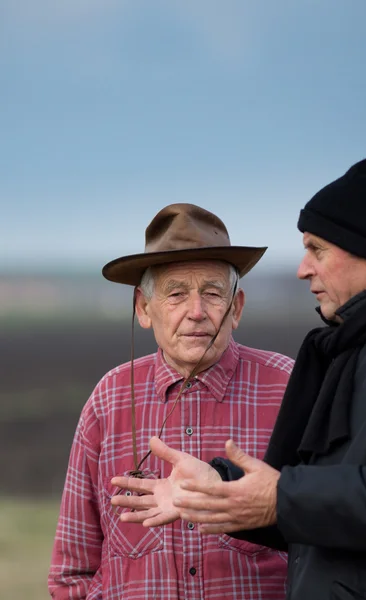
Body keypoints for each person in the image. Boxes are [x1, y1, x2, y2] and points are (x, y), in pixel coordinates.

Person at [110, 154, 366, 600]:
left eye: (317, 249)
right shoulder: (359, 344)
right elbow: (328, 508)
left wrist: (282, 498)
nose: (302, 268)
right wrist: (223, 488)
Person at [48, 203, 294, 600]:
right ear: (144, 309)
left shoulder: (290, 388)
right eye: (176, 294)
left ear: (236, 309)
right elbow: (72, 572)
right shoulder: (108, 399)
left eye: (213, 294)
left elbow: (329, 532)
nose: (196, 312)